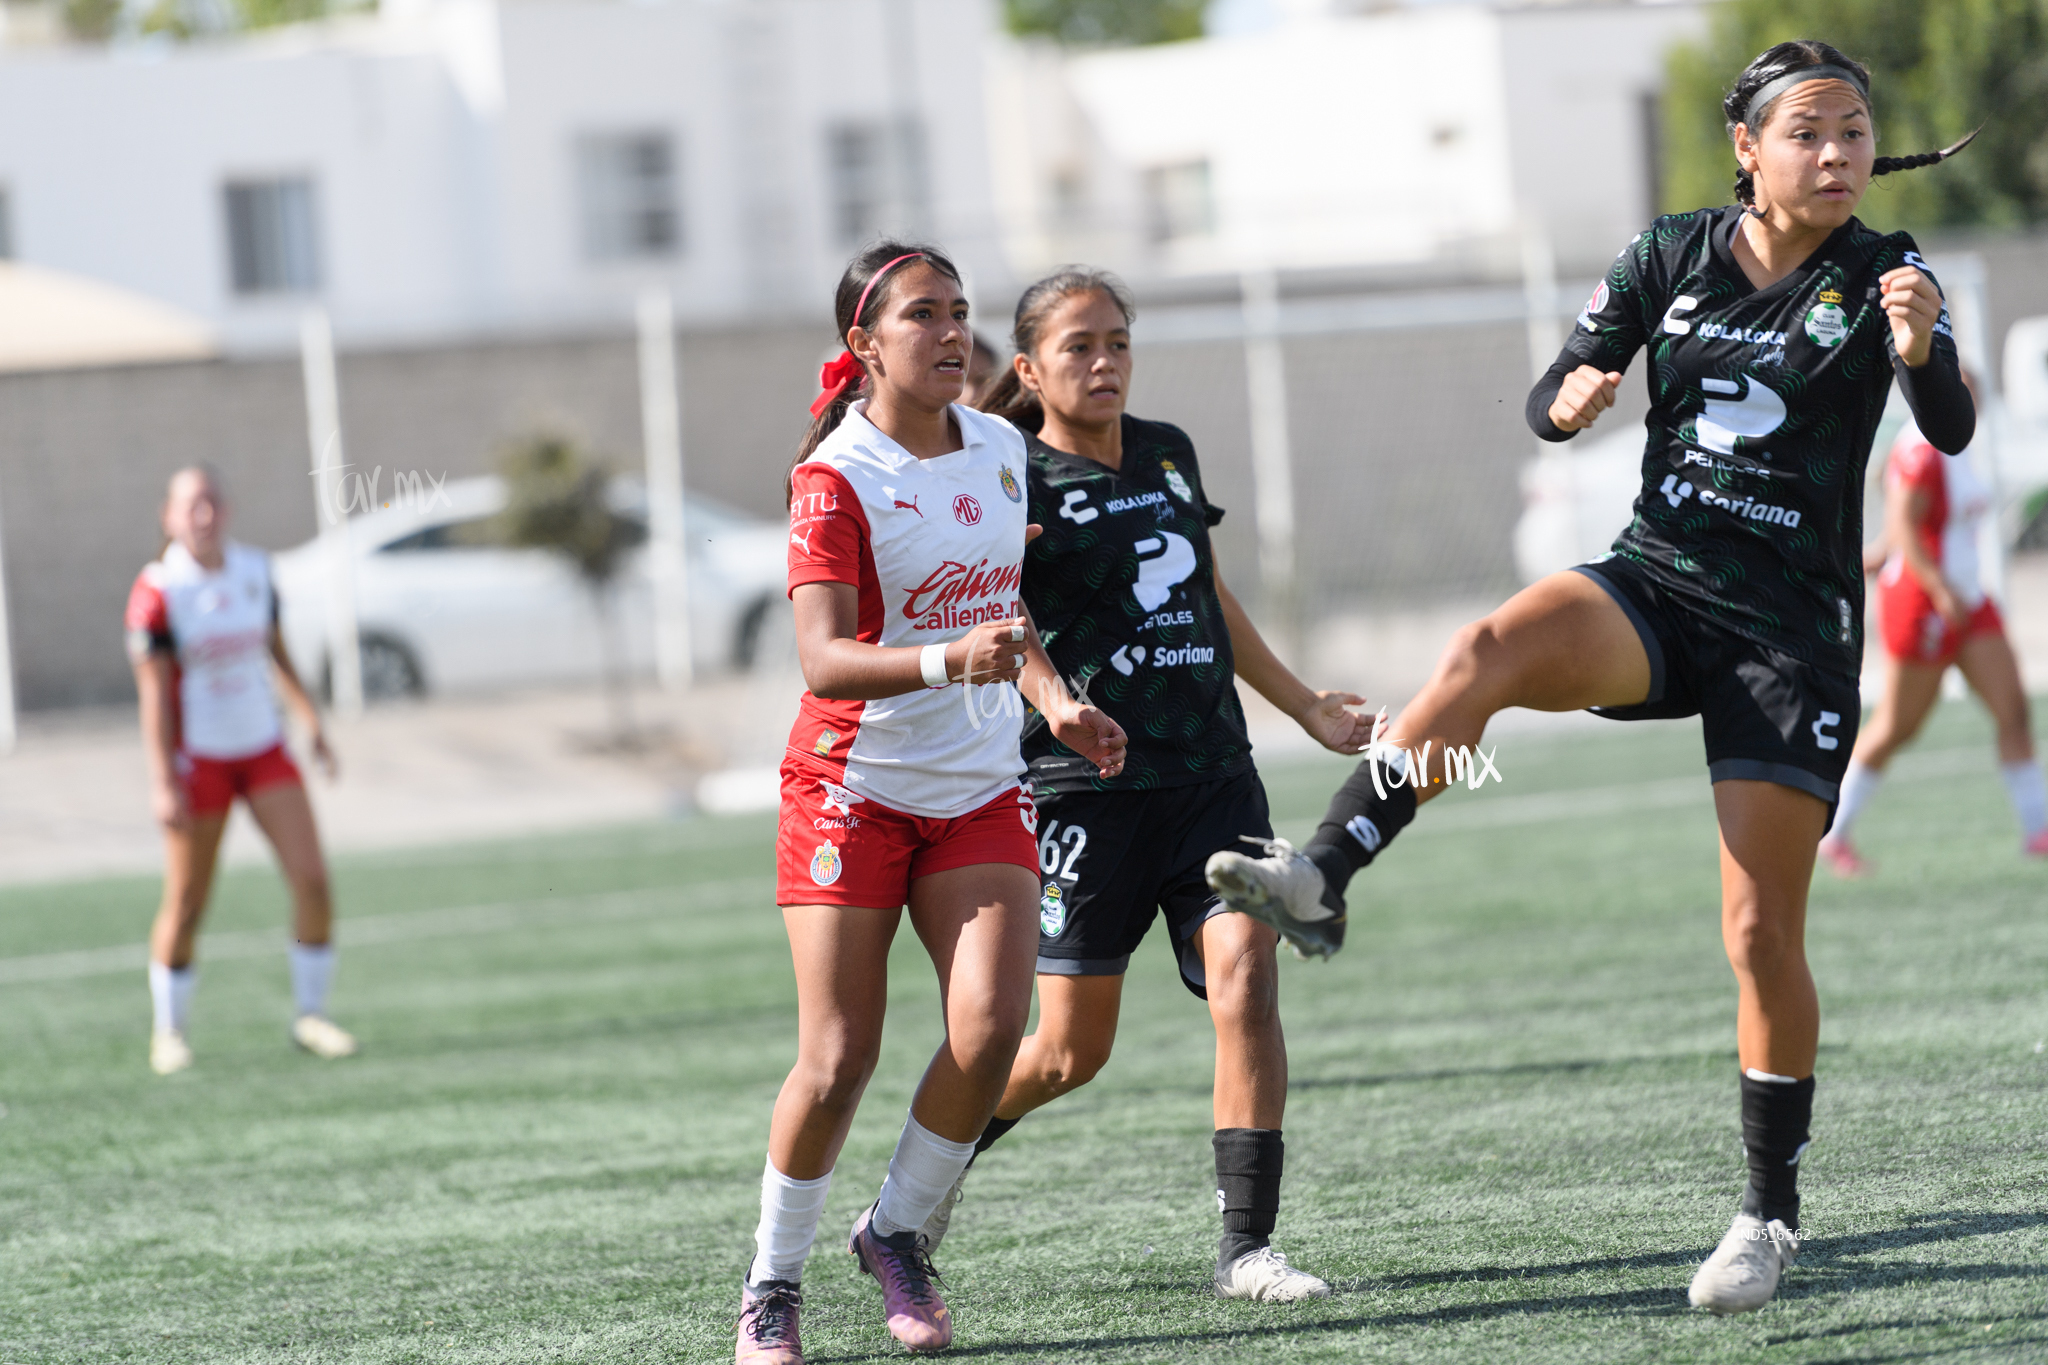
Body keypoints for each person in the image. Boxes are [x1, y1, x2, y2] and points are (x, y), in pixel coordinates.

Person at [1204, 40, 1976, 1315]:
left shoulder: (1885, 274)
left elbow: (1944, 426)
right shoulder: (1666, 253)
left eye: (1852, 131)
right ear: (1748, 148)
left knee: (1754, 932)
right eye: (1807, 132)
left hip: (1788, 636)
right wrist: (1566, 403)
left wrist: (1917, 350)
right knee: (1485, 651)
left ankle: (1764, 1217)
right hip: (1656, 586)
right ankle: (1322, 876)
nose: (1834, 153)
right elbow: (1550, 395)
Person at [915, 267, 1367, 1302]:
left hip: (1214, 776)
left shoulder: (1166, 451)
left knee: (1247, 985)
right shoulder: (1006, 475)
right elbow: (993, 610)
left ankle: (1246, 1249)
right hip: (1083, 794)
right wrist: (1053, 699)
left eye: (1116, 341)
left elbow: (1205, 585)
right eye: (1078, 347)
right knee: (1070, 1053)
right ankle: (918, 1188)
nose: (1104, 362)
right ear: (1027, 368)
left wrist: (1301, 705)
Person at [736, 241, 1126, 1365]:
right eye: (921, 316)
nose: (951, 333)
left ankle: (895, 1232)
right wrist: (948, 661)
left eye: (959, 313)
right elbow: (820, 659)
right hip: (849, 790)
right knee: (836, 1058)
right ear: (865, 345)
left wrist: (1053, 700)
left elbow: (1004, 614)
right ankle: (771, 1285)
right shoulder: (837, 478)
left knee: (994, 1027)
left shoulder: (1000, 447)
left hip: (976, 786)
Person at [124, 465, 357, 1076]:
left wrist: (311, 722)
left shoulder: (255, 570)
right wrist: (161, 780)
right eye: (190, 505)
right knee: (190, 899)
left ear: (225, 511)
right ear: (169, 517)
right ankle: (169, 1030)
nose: (203, 515)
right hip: (198, 759)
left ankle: (312, 1014)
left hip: (261, 749)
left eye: (211, 502)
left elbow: (275, 652)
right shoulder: (158, 589)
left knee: (312, 880)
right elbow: (154, 693)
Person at [1819, 375, 2048, 873]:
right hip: (1926, 601)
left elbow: (1916, 526)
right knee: (1899, 726)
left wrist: (1882, 555)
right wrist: (1940, 591)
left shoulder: (1957, 444)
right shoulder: (1921, 448)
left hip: (1965, 597)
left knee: (2012, 710)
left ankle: (2038, 830)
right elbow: (1906, 522)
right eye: (1959, 390)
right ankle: (1832, 833)